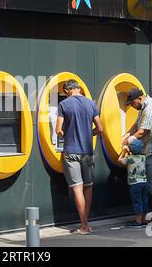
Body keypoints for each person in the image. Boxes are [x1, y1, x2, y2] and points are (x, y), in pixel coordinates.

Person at [55, 79, 103, 235]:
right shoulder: (91, 104)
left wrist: (67, 135)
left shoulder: (64, 105)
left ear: (68, 90)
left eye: (65, 92)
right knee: (88, 186)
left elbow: (57, 130)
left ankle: (83, 225)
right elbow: (100, 128)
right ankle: (85, 225)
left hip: (71, 151)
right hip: (87, 151)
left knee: (77, 188)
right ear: (79, 89)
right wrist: (89, 134)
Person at [122, 88, 152, 225]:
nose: (132, 106)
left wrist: (127, 141)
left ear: (139, 99)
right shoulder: (144, 108)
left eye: (132, 103)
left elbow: (143, 131)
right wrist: (127, 133)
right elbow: (137, 125)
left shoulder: (150, 108)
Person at [118, 138, 149, 228]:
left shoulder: (129, 158)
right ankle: (144, 219)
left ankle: (138, 221)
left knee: (137, 202)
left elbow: (119, 160)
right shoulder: (143, 158)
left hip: (134, 184)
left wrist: (124, 151)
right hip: (144, 183)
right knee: (144, 201)